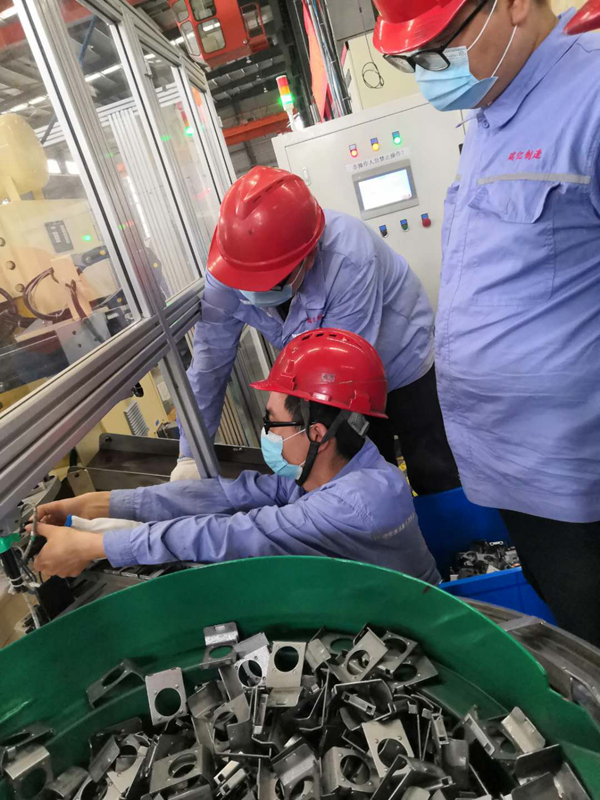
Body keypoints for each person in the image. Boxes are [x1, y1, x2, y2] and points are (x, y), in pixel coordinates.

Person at [372, 0, 600, 644]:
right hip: (520, 482)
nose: (430, 70)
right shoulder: (493, 111)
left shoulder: (590, 95)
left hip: (579, 482)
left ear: (515, 4)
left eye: (439, 46)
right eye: (414, 58)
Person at [31, 329, 440, 585]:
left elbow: (231, 534)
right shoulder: (346, 463)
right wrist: (96, 503)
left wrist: (95, 545)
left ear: (317, 433)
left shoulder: (357, 502)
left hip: (406, 632)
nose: (266, 433)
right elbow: (232, 495)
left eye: (272, 422)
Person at [173, 165, 459, 496]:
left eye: (271, 282)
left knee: (433, 466)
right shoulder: (230, 266)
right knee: (364, 472)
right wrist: (190, 454)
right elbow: (209, 366)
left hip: (402, 363)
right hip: (338, 372)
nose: (255, 292)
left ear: (308, 257)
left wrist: (297, 448)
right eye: (247, 282)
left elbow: (338, 376)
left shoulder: (348, 257)